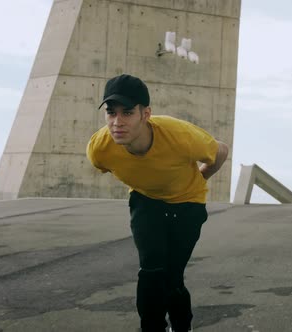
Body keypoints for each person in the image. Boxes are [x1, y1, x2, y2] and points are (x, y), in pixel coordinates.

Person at [86, 74, 229, 332]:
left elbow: (221, 150)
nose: (117, 122)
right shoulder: (100, 149)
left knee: (172, 276)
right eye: (111, 113)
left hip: (188, 203)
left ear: (146, 113)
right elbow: (114, 166)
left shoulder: (179, 135)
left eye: (127, 112)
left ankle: (181, 326)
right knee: (151, 270)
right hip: (146, 201)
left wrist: (202, 176)